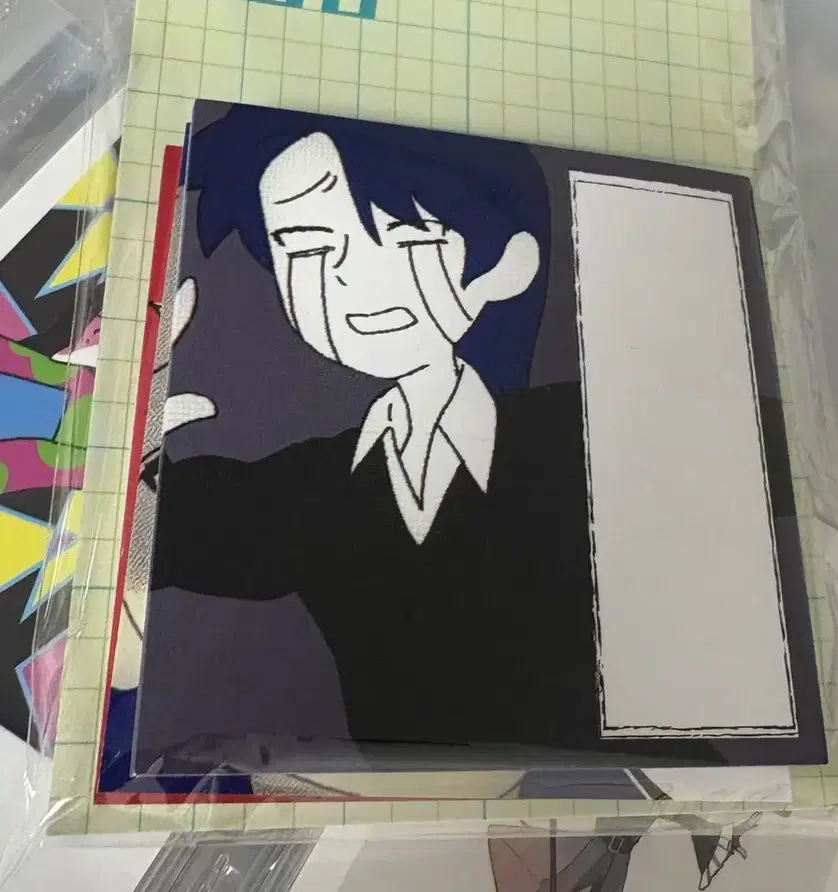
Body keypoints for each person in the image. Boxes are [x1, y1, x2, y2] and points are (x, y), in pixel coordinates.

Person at [150, 105, 604, 761]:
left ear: (508, 263)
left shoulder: (580, 438)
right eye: (306, 248)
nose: (348, 277)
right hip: (390, 797)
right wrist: (132, 429)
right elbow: (164, 542)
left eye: (403, 235)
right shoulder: (315, 487)